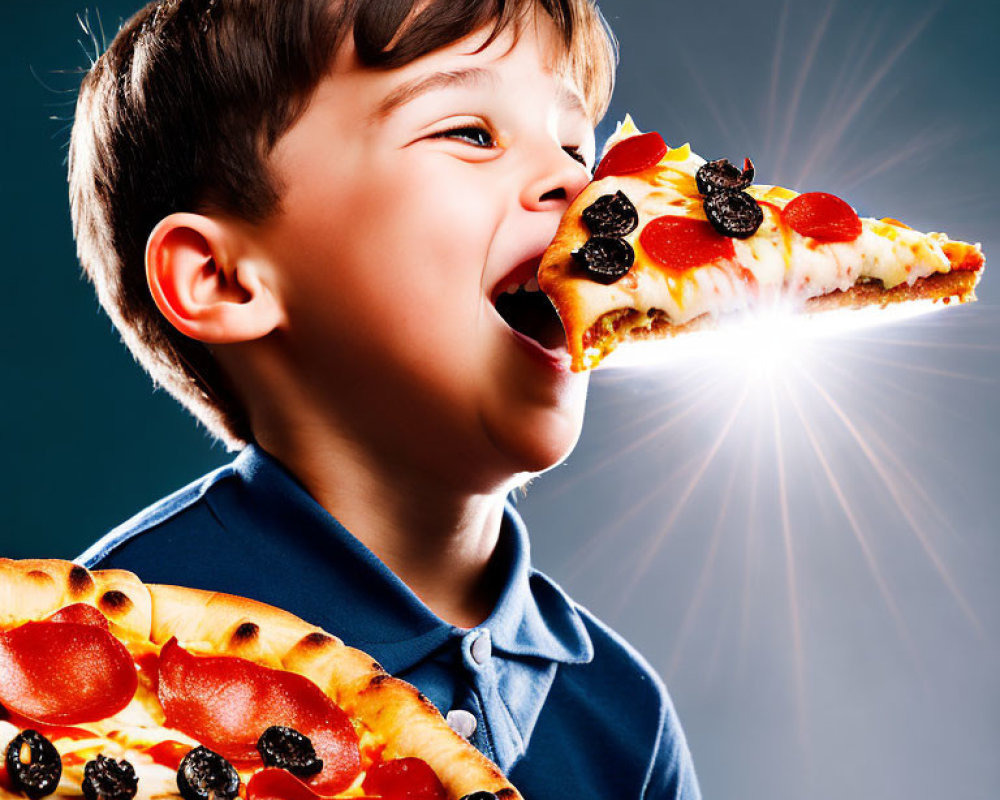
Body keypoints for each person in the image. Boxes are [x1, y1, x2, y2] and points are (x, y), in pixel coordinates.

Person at [70, 0, 701, 796]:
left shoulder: (624, 718)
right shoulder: (104, 650)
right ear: (224, 279)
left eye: (579, 146)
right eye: (472, 133)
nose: (580, 185)